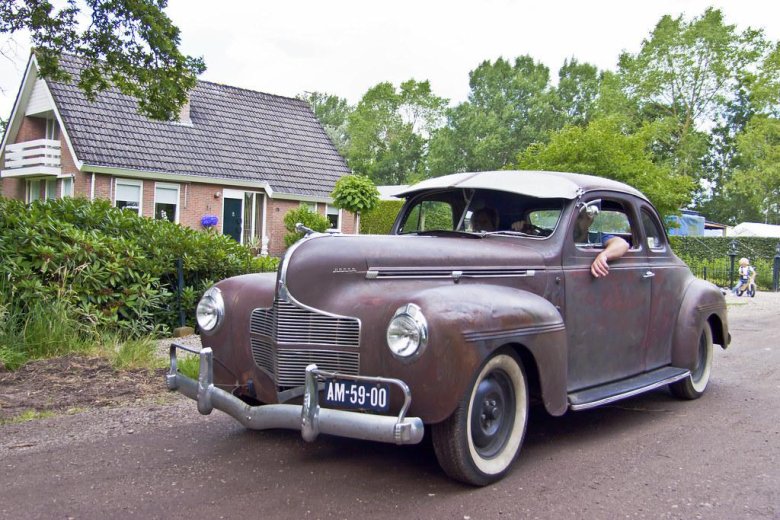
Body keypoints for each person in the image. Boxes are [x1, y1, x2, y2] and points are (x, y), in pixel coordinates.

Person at [573, 206, 629, 278]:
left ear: (590, 221)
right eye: (571, 219)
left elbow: (622, 244)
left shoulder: (595, 238)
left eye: (579, 217)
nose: (574, 222)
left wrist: (603, 255)